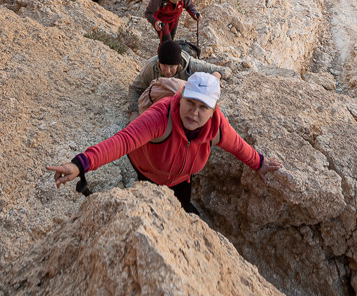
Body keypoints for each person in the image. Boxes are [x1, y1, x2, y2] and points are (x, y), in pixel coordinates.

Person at [47, 73, 282, 214]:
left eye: (203, 108)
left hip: (182, 176)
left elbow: (239, 146)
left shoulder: (216, 127)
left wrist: (259, 163)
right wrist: (80, 164)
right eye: (190, 103)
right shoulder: (161, 117)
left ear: (213, 111)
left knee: (182, 204)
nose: (194, 113)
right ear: (180, 99)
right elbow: (123, 141)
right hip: (148, 168)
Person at [130, 40, 227, 107]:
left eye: (172, 66)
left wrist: (216, 77)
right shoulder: (152, 66)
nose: (168, 71)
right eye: (164, 66)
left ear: (178, 64)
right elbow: (135, 88)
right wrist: (134, 111)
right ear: (159, 63)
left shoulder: (191, 65)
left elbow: (222, 70)